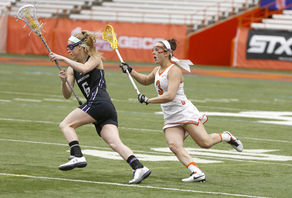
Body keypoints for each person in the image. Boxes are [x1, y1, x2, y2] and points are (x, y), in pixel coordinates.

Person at [119, 38, 243, 182]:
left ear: (166, 53)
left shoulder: (174, 71)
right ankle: (196, 172)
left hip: (184, 112)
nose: (153, 52)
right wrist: (130, 70)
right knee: (174, 145)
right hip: (170, 115)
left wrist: (148, 100)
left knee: (206, 143)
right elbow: (146, 80)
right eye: (153, 49)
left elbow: (170, 96)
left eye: (157, 49)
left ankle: (227, 136)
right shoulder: (157, 70)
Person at [48, 30, 151, 184]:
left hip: (99, 103)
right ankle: (139, 167)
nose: (68, 50)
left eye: (71, 47)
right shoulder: (71, 69)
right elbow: (67, 94)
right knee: (114, 143)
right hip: (102, 107)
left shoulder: (94, 58)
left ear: (81, 46)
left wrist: (61, 58)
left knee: (66, 125)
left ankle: (77, 155)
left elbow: (84, 69)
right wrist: (63, 82)